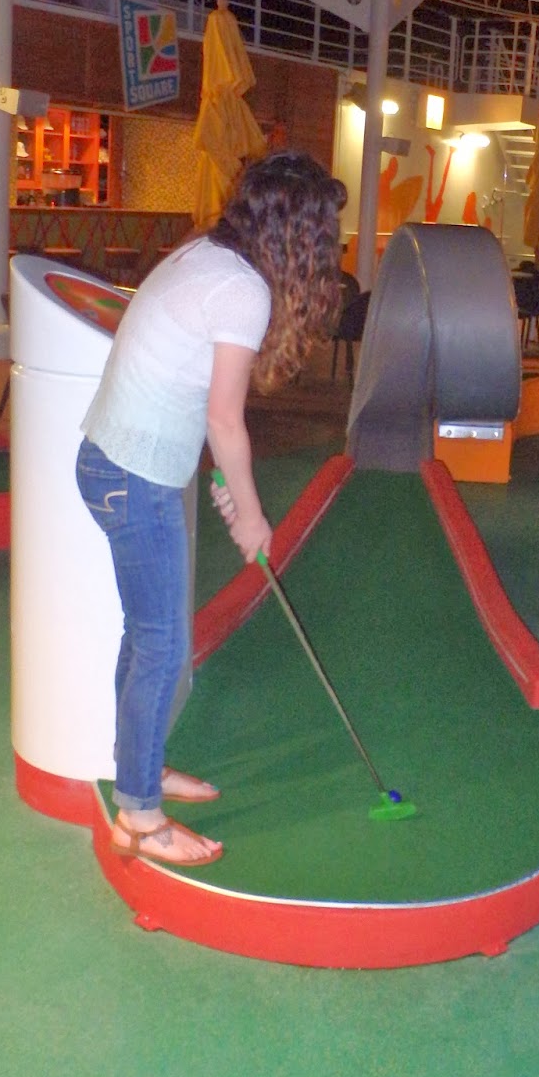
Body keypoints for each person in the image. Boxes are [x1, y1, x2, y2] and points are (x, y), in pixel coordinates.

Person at [75, 151, 346, 867]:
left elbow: (187, 382)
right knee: (162, 644)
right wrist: (252, 517)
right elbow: (226, 418)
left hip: (117, 464)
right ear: (299, 235)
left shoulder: (208, 252)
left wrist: (224, 481)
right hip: (132, 477)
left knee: (148, 636)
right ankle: (138, 818)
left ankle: (139, 768)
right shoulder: (243, 290)